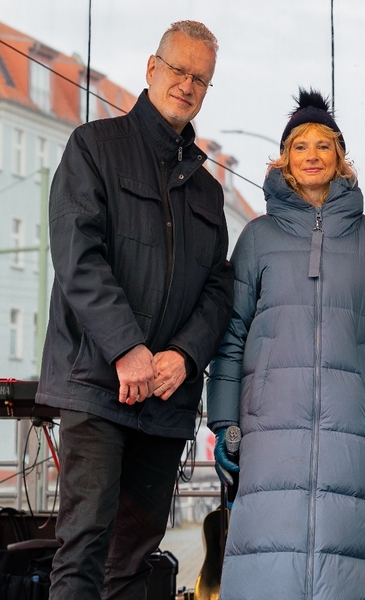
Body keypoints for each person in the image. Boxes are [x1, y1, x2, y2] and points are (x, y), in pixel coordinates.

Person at [35, 21, 234, 600]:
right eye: (179, 71)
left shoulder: (207, 189)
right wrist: (127, 348)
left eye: (201, 78)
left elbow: (218, 289)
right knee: (84, 546)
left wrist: (184, 355)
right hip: (97, 384)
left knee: (136, 558)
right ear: (152, 70)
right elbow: (77, 255)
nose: (187, 85)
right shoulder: (94, 147)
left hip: (166, 400)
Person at [207, 89, 365, 600]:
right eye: (301, 146)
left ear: (340, 159)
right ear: (284, 161)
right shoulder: (256, 238)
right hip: (268, 434)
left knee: (345, 571)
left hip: (352, 433)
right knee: (268, 570)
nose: (312, 155)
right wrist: (223, 421)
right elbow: (230, 336)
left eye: (324, 145)